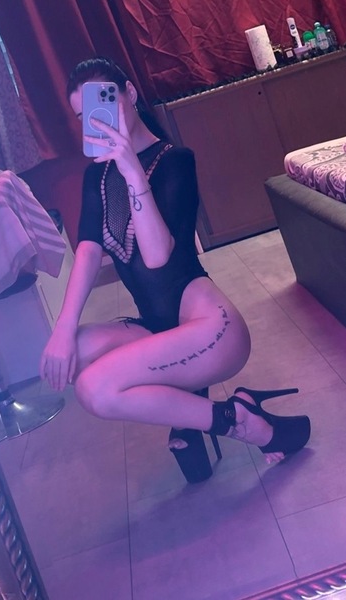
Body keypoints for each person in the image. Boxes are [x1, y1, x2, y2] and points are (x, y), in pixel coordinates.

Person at [40, 57, 310, 483]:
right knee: (72, 352)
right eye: (84, 116)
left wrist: (132, 169)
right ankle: (198, 411)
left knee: (96, 389)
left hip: (211, 330)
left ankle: (238, 420)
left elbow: (156, 257)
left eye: (102, 104)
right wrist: (62, 329)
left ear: (129, 94)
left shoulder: (175, 161)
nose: (96, 121)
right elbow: (89, 251)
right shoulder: (97, 177)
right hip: (155, 327)